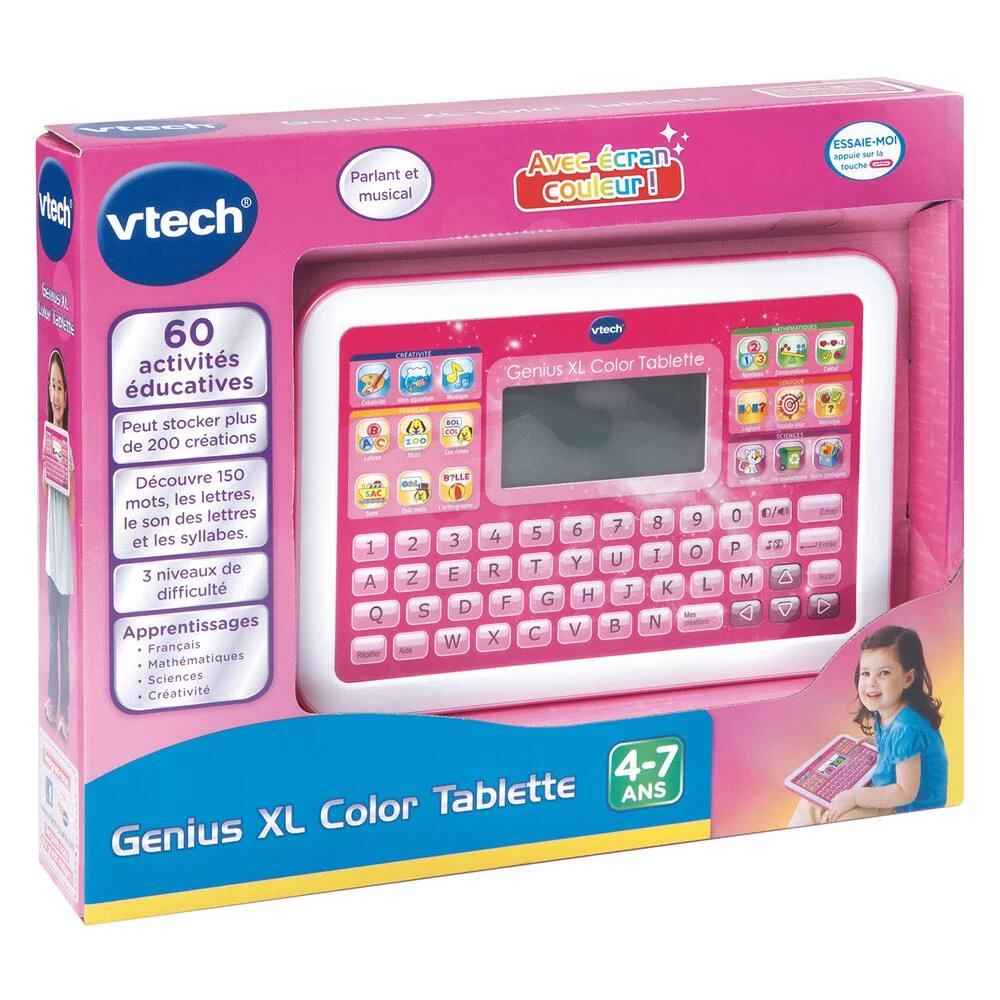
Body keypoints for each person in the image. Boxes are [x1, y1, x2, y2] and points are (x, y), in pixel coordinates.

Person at [789, 625, 948, 825]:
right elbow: (898, 752)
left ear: (908, 678)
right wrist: (879, 744)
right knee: (812, 800)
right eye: (865, 673)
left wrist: (854, 797)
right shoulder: (889, 711)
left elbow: (905, 792)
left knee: (839, 818)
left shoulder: (907, 728)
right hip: (888, 791)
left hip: (907, 809)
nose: (871, 683)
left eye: (883, 673)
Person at [42, 350, 74, 742]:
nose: (55, 394)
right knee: (52, 631)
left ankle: (65, 709)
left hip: (65, 559)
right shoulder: (49, 437)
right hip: (51, 556)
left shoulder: (69, 445)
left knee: (65, 636)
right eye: (51, 385)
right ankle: (52, 699)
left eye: (60, 386)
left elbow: (73, 507)